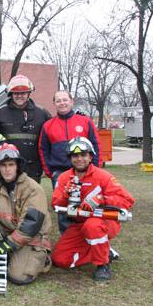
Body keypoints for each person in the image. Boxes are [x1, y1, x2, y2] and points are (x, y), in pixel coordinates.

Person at [51, 137, 134, 281]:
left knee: (92, 225)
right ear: (70, 158)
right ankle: (104, 251)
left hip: (104, 221)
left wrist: (101, 200)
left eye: (83, 155)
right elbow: (55, 204)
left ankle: (103, 264)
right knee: (60, 259)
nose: (79, 159)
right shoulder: (65, 178)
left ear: (90, 156)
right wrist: (66, 194)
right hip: (79, 223)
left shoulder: (103, 176)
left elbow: (127, 200)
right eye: (75, 156)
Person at [0, 143, 52, 285]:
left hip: (30, 239)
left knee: (18, 278)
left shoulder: (32, 188)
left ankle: (41, 258)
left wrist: (10, 244)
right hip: (8, 232)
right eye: (3, 165)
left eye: (11, 164)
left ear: (17, 166)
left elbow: (31, 223)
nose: (7, 169)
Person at [39, 90, 102, 234]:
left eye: (65, 100)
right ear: (54, 104)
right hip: (60, 173)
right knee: (64, 208)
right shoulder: (48, 125)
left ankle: (87, 235)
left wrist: (95, 168)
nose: (62, 103)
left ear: (71, 101)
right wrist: (50, 172)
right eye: (58, 101)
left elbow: (96, 144)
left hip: (85, 172)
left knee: (88, 205)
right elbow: (43, 149)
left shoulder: (85, 121)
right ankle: (67, 238)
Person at [0, 74, 51, 183]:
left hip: (33, 170)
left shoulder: (42, 113)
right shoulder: (0, 113)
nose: (19, 96)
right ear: (10, 94)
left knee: (30, 198)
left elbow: (52, 134)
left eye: (23, 93)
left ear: (29, 93)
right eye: (16, 93)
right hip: (7, 167)